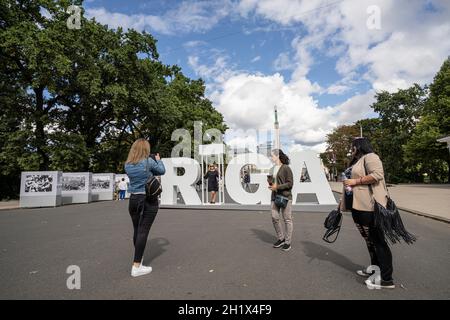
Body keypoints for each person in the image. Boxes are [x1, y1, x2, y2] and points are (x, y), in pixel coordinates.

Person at [340, 137, 395, 289]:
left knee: (378, 241)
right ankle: (375, 270)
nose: (352, 149)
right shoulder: (358, 161)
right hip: (357, 206)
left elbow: (377, 175)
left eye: (353, 146)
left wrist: (355, 182)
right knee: (369, 241)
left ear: (359, 146)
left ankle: (386, 278)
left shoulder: (371, 157)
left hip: (370, 207)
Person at [124, 138, 166, 277]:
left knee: (137, 229)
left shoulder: (128, 164)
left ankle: (139, 258)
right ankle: (136, 266)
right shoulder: (148, 161)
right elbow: (162, 170)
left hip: (134, 200)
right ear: (145, 149)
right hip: (148, 199)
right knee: (143, 231)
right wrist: (158, 159)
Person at [268, 149, 294, 252]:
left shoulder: (286, 168)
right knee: (274, 217)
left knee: (287, 219)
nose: (271, 158)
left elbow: (290, 183)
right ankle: (281, 238)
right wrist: (271, 184)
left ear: (278, 156)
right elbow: (273, 182)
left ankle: (287, 242)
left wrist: (277, 187)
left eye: (272, 156)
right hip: (274, 196)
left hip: (285, 197)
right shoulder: (272, 168)